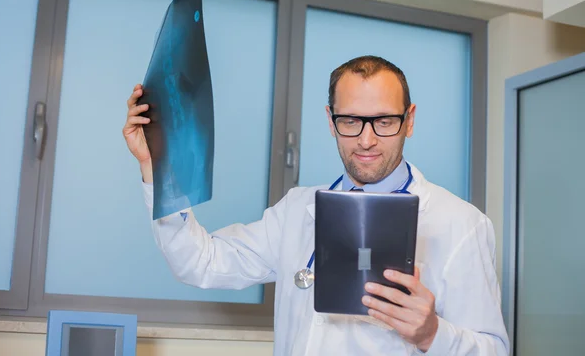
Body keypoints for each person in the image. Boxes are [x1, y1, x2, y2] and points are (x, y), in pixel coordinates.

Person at [123, 55, 509, 355]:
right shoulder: (298, 209)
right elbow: (200, 262)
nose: (367, 140)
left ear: (409, 120)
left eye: (385, 122)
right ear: (330, 120)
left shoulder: (459, 224)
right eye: (350, 121)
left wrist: (432, 334)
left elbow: (494, 349)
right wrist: (157, 167)